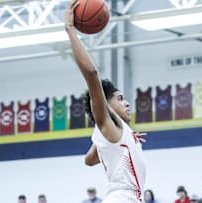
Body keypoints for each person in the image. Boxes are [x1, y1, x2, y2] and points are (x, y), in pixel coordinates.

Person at [65, 1, 146, 202]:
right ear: (106, 105)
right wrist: (69, 30)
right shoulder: (109, 123)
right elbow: (92, 73)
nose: (127, 103)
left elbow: (89, 160)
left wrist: (119, 141)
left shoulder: (111, 132)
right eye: (120, 98)